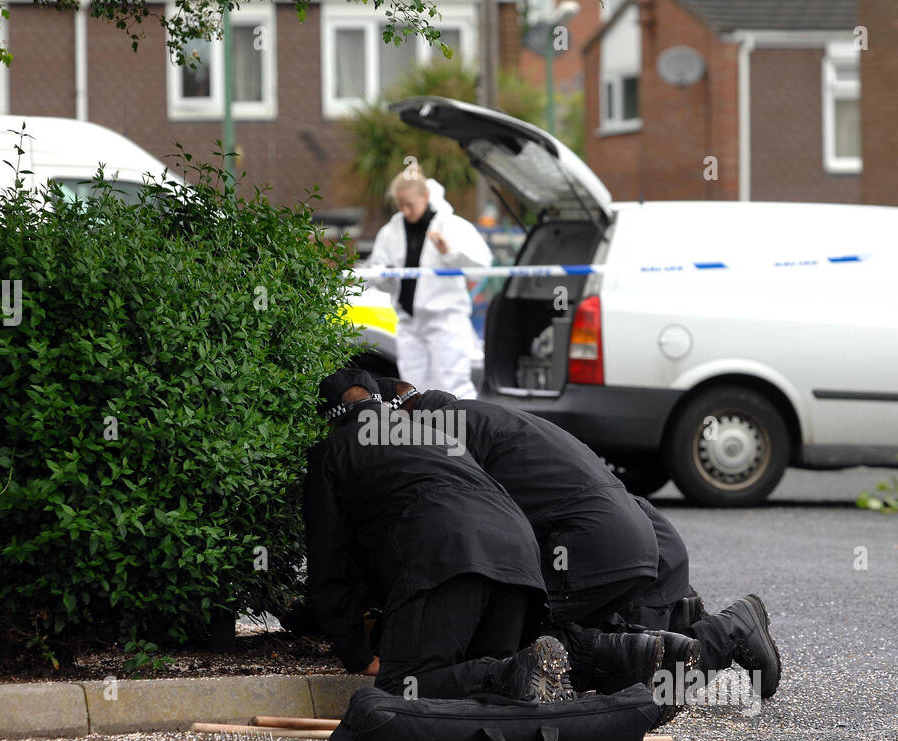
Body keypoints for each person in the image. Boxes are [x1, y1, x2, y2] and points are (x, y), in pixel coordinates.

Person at [379, 380, 783, 700]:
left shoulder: (441, 434)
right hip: (641, 541)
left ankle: (728, 631)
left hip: (597, 546)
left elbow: (469, 529)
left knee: (549, 647)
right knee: (639, 661)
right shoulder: (480, 416)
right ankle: (714, 627)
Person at [302, 368, 574, 703]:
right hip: (519, 555)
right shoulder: (431, 434)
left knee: (399, 691)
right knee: (493, 694)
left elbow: (329, 561)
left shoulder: (331, 451)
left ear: (329, 420)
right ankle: (512, 673)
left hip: (449, 555)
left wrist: (355, 653)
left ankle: (507, 673)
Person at [364, 163, 491, 400]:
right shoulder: (391, 231)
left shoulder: (452, 226)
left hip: (446, 321)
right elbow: (376, 273)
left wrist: (449, 253)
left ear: (425, 195)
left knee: (453, 386)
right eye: (400, 205)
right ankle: (422, 436)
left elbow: (481, 267)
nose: (405, 210)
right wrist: (385, 274)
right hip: (409, 322)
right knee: (413, 389)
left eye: (410, 204)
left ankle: (465, 434)